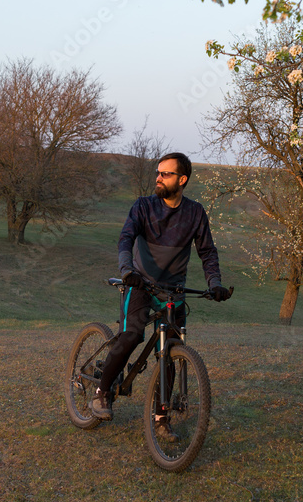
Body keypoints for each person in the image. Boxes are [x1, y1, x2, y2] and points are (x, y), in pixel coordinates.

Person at [89, 152, 230, 440]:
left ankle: (161, 417)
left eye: (165, 174)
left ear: (182, 180)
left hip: (173, 291)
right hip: (139, 283)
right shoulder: (143, 206)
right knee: (131, 335)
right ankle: (101, 392)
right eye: (158, 172)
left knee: (170, 353)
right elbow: (126, 238)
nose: (158, 178)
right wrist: (127, 268)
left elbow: (207, 252)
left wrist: (214, 282)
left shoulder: (194, 213)